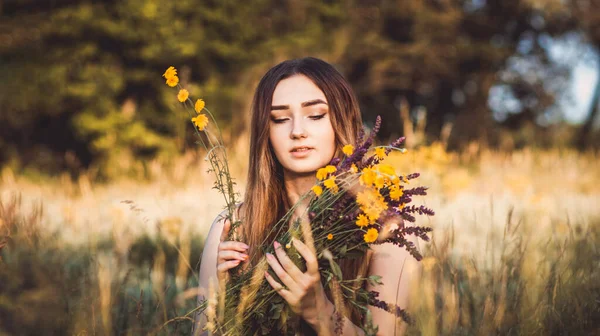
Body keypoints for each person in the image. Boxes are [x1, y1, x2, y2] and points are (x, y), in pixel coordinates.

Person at [193, 57, 418, 335]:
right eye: (279, 118)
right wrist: (227, 298)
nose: (297, 131)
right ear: (266, 132)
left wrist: (318, 311)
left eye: (315, 115)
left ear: (341, 120)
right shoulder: (232, 228)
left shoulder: (384, 228)